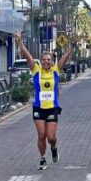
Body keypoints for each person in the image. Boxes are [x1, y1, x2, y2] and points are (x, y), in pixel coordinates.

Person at [14, 31, 77, 170]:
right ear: (41, 61)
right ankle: (42, 158)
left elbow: (65, 57)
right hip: (38, 107)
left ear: (51, 61)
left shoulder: (55, 70)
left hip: (52, 107)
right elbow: (27, 56)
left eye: (49, 60)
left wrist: (72, 45)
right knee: (41, 135)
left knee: (51, 137)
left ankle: (54, 147)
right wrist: (19, 42)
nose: (46, 62)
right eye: (44, 60)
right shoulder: (36, 70)